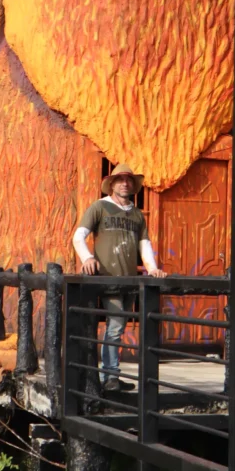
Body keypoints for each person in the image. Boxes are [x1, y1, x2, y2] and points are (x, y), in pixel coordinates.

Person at [72, 164, 166, 392]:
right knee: (114, 326)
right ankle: (110, 377)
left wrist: (152, 268)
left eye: (129, 180)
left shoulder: (136, 214)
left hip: (129, 282)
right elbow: (78, 236)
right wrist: (87, 258)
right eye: (120, 180)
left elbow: (144, 243)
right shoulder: (100, 207)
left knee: (119, 326)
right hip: (108, 280)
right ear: (111, 184)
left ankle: (111, 375)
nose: (125, 183)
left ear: (133, 185)